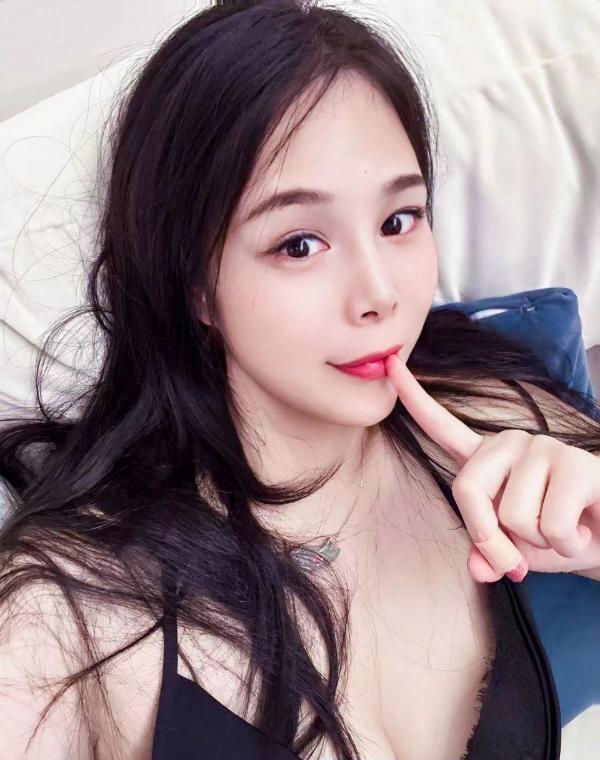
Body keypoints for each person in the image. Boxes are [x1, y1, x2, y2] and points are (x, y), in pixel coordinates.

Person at [1, 1, 598, 758]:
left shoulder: (499, 414)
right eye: (300, 243)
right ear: (194, 283)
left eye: (399, 220)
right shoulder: (70, 612)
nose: (379, 293)